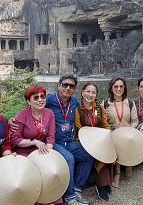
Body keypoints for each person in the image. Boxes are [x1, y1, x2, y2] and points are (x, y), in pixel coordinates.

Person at [46, 75, 93, 205]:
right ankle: (70, 197)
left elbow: (86, 111)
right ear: (59, 85)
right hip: (54, 142)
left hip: (69, 141)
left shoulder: (74, 101)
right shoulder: (49, 100)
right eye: (65, 85)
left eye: (71, 86)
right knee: (69, 159)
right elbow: (31, 108)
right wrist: (14, 121)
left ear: (74, 89)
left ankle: (77, 189)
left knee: (87, 155)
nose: (68, 88)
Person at [75, 82, 111, 201]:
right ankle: (102, 184)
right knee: (98, 154)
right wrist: (90, 141)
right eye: (88, 91)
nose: (90, 95)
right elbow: (78, 128)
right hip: (83, 141)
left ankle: (104, 181)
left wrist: (106, 136)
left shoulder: (99, 108)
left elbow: (105, 125)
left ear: (96, 95)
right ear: (82, 92)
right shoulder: (77, 109)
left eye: (93, 92)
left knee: (108, 149)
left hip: (98, 139)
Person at [101, 77, 138, 188]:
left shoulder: (130, 103)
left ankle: (128, 164)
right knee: (115, 141)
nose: (119, 89)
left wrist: (130, 130)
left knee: (126, 140)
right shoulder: (105, 103)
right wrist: (109, 126)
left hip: (127, 133)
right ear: (111, 88)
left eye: (121, 86)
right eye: (116, 86)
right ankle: (117, 173)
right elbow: (103, 122)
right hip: (113, 133)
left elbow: (135, 120)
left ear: (124, 88)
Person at [11, 84, 55, 156]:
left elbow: (51, 137)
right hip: (23, 153)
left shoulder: (49, 113)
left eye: (42, 96)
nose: (40, 100)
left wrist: (48, 152)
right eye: (36, 97)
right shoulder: (22, 114)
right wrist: (34, 142)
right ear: (28, 101)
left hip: (41, 151)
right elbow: (15, 140)